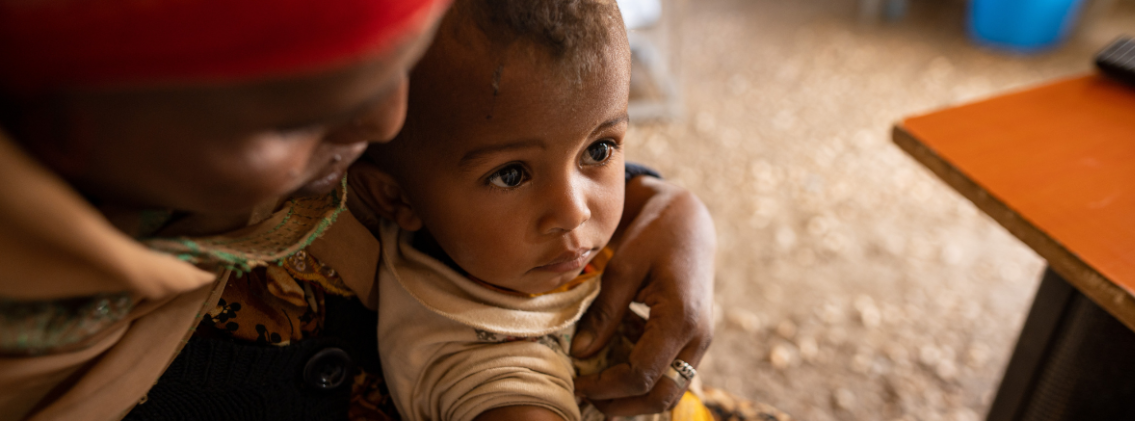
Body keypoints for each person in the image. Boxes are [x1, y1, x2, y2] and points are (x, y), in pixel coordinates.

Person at [0, 0, 721, 420]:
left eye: (391, 58)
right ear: (70, 129)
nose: (388, 125)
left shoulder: (343, 163)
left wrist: (655, 200)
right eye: (293, 111)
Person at [352, 1, 711, 420]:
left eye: (599, 149)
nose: (574, 211)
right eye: (511, 176)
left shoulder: (498, 248)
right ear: (396, 199)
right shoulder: (495, 381)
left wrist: (686, 213)